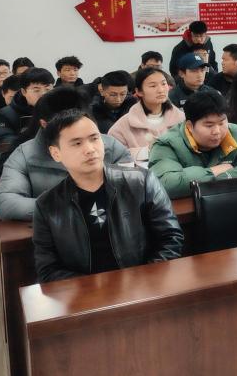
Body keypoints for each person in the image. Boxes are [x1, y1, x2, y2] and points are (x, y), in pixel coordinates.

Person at [31, 109, 182, 283]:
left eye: (94, 138)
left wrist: (141, 282)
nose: (90, 149)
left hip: (143, 287)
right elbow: (48, 270)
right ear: (55, 153)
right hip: (86, 294)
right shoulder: (47, 205)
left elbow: (171, 239)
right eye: (77, 143)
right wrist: (95, 289)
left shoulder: (141, 182)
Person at [0, 88, 132, 221]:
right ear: (44, 123)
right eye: (67, 125)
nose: (89, 149)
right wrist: (71, 208)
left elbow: (130, 192)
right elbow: (6, 203)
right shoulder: (24, 154)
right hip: (53, 230)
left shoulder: (112, 147)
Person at [148, 89, 237, 198]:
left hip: (231, 200)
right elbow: (167, 184)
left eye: (221, 123)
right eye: (209, 125)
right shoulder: (166, 144)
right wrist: (213, 172)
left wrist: (221, 178)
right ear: (190, 126)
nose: (217, 131)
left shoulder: (236, 133)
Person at [109, 67, 185, 160]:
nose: (161, 90)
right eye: (153, 86)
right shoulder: (121, 128)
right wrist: (146, 151)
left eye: (163, 84)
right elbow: (114, 158)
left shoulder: (182, 119)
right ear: (139, 92)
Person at [0, 67, 54, 144]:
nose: (43, 94)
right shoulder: (6, 114)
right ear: (24, 92)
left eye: (48, 89)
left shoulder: (60, 109)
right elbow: (5, 140)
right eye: (36, 90)